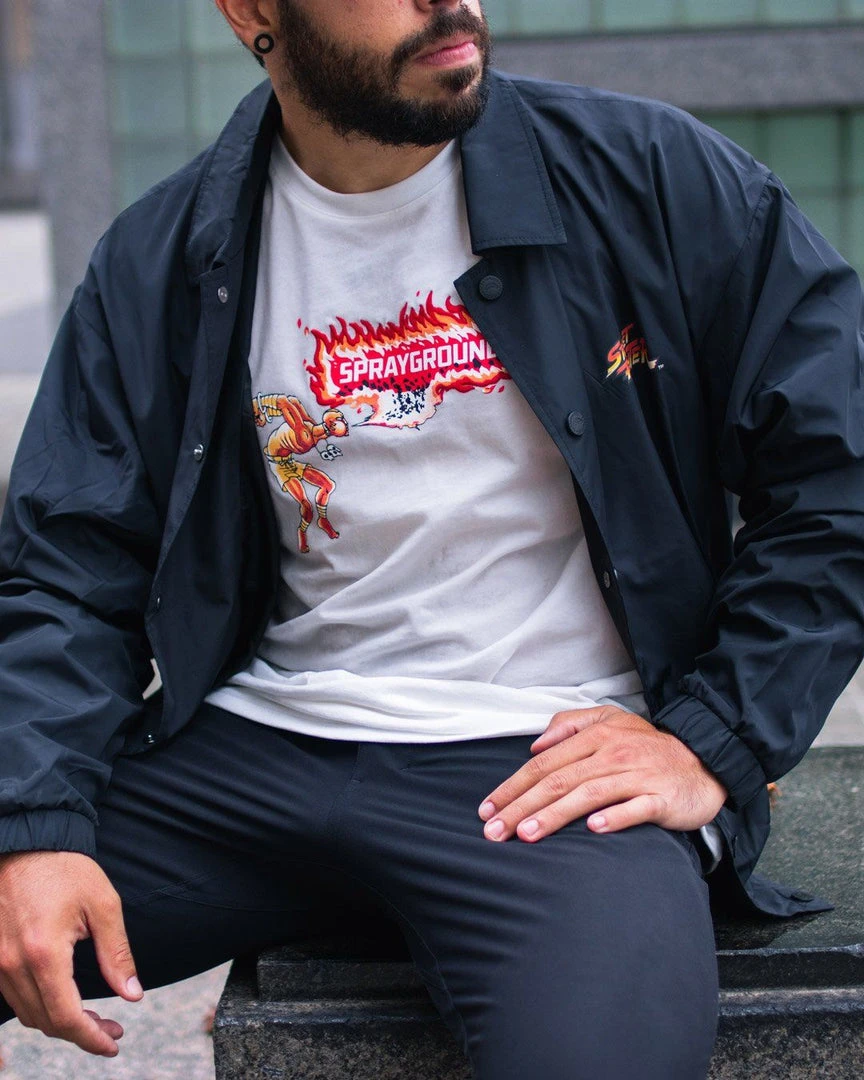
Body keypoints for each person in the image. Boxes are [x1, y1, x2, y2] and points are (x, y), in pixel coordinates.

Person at [1, 2, 862, 1077]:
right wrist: (32, 825)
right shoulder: (164, 253)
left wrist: (711, 738)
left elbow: (839, 471)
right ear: (255, 12)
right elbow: (69, 569)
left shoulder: (651, 178)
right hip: (250, 755)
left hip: (548, 767)